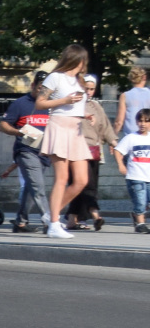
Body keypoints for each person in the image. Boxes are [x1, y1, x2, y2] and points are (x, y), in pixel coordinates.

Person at [37, 44, 94, 239]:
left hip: (76, 129)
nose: (84, 64)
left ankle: (50, 214)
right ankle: (54, 223)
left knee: (81, 180)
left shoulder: (79, 80)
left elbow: (75, 105)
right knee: (61, 178)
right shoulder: (55, 77)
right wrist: (64, 101)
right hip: (59, 126)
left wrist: (84, 114)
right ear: (76, 59)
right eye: (83, 60)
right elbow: (40, 102)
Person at [0, 71, 52, 233]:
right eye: (40, 87)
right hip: (26, 150)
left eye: (46, 89)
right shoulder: (20, 104)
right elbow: (3, 125)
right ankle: (49, 221)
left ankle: (21, 221)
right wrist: (19, 132)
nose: (42, 92)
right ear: (33, 86)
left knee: (31, 186)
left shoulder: (51, 105)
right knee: (38, 185)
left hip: (44, 152)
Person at [66, 74, 119, 231]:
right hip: (77, 149)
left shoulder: (96, 106)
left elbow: (106, 127)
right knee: (86, 184)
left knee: (83, 185)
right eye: (86, 88)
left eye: (91, 89)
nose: (88, 92)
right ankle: (95, 215)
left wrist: (114, 142)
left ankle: (71, 219)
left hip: (94, 150)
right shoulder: (74, 104)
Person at [113, 108, 150, 234]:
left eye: (146, 121)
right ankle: (140, 223)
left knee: (147, 202)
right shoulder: (131, 138)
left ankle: (135, 215)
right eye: (140, 121)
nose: (143, 124)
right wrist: (121, 165)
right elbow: (118, 151)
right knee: (140, 201)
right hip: (136, 176)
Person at [115, 66, 150, 137]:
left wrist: (113, 137)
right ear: (144, 77)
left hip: (130, 135)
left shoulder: (125, 96)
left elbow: (119, 122)